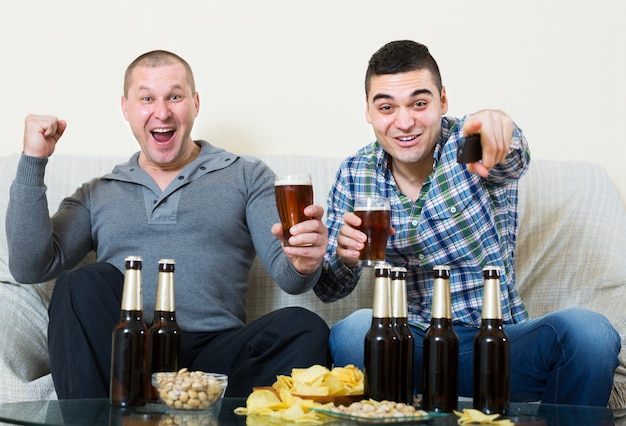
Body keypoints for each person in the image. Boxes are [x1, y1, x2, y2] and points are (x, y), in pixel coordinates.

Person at [6, 50, 331, 399]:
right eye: (147, 98)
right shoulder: (98, 192)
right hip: (125, 357)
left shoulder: (245, 175)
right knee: (78, 282)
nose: (162, 112)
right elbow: (29, 267)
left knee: (303, 327)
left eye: (174, 97)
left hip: (214, 358)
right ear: (126, 108)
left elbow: (290, 277)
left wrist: (304, 261)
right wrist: (33, 160)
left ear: (194, 103)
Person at [314, 40, 621, 406]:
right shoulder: (354, 173)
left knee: (591, 332)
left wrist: (498, 124)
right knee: (353, 332)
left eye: (419, 103)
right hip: (407, 350)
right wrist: (345, 258)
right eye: (386, 107)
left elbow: (512, 157)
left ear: (443, 101)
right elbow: (329, 289)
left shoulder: (470, 144)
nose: (405, 121)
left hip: (496, 345)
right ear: (368, 111)